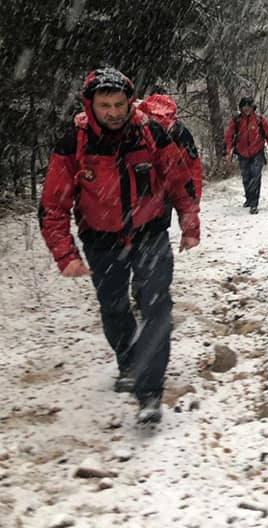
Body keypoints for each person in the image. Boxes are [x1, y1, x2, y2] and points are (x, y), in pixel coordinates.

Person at [38, 68, 201, 424]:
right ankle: (128, 362)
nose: (112, 112)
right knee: (114, 309)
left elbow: (178, 179)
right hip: (101, 241)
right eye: (104, 105)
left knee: (158, 308)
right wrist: (65, 255)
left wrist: (190, 224)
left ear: (130, 102)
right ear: (90, 106)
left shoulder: (151, 133)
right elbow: (53, 206)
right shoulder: (74, 143)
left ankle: (149, 393)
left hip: (150, 234)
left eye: (118, 104)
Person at [224, 97, 268, 214]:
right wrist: (228, 152)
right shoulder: (237, 121)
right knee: (246, 178)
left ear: (253, 107)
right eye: (244, 106)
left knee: (256, 177)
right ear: (241, 108)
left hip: (257, 153)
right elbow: (229, 136)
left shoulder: (260, 120)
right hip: (242, 153)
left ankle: (254, 204)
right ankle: (249, 198)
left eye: (249, 106)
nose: (247, 108)